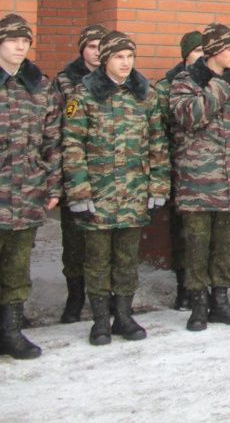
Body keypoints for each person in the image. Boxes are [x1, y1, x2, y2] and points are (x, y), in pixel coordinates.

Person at [62, 31, 169, 345]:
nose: (125, 63)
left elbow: (158, 144)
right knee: (97, 260)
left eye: (130, 57)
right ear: (105, 59)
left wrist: (158, 186)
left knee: (126, 258)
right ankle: (99, 321)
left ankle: (123, 315)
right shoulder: (83, 96)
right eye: (119, 57)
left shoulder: (145, 96)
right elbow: (72, 146)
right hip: (99, 194)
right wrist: (79, 192)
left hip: (134, 193)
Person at [168, 24, 230, 331]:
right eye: (228, 49)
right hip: (198, 181)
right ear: (212, 52)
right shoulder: (185, 82)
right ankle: (198, 303)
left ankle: (221, 301)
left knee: (225, 244)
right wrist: (221, 86)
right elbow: (189, 116)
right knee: (197, 245)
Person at [0, 14, 62, 360]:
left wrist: (53, 185)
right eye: (12, 40)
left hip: (26, 192)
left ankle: (11, 331)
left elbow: (52, 141)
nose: (20, 46)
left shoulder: (39, 87)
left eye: (25, 41)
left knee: (16, 265)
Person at [52, 23, 108, 324]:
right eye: (91, 47)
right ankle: (75, 296)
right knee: (73, 240)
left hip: (106, 171)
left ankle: (105, 296)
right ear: (82, 50)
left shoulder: (112, 79)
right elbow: (58, 124)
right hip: (74, 167)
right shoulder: (64, 80)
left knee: (100, 238)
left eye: (101, 47)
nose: (97, 52)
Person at [153, 30, 203, 310]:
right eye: (197, 52)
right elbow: (159, 130)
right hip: (178, 168)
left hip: (206, 171)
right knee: (182, 232)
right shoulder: (166, 87)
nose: (202, 58)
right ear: (186, 56)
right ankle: (184, 287)